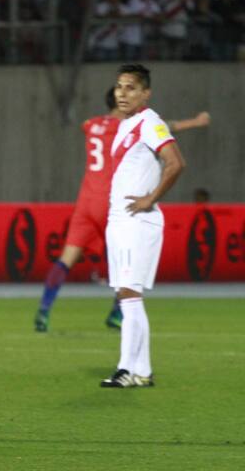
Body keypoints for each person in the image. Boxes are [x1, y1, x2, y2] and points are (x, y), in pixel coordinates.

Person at [34, 87, 209, 333]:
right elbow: (165, 127)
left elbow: (85, 125)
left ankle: (43, 312)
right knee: (127, 259)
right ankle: (118, 314)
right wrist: (196, 122)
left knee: (66, 259)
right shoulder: (126, 126)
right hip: (111, 203)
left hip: (85, 203)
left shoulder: (92, 124)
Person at [100, 63, 185, 388]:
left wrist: (151, 198)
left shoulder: (150, 123)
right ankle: (142, 371)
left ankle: (124, 369)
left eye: (131, 87)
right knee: (127, 296)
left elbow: (176, 163)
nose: (123, 93)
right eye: (120, 87)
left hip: (138, 220)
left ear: (145, 93)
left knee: (130, 295)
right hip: (119, 219)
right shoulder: (127, 124)